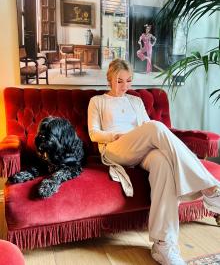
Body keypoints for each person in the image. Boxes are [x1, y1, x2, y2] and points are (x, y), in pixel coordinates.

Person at [87, 58, 220, 265]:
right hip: (116, 148)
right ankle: (210, 188)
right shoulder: (98, 102)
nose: (125, 86)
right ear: (109, 80)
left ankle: (163, 245)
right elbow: (94, 133)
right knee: (156, 127)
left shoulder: (136, 101)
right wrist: (114, 136)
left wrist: (142, 135)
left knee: (163, 163)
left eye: (129, 81)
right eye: (119, 81)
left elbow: (147, 130)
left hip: (141, 147)